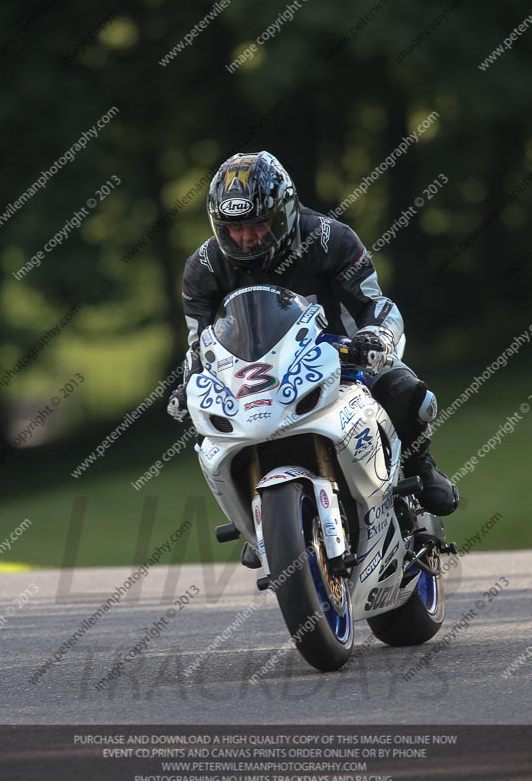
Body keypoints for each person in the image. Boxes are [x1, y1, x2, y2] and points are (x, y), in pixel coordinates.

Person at [168, 151, 459, 567]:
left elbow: (375, 303)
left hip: (340, 356)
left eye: (257, 225)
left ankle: (420, 466)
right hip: (253, 373)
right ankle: (257, 515)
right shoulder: (204, 266)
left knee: (405, 390)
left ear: (284, 213)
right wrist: (188, 383)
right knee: (209, 431)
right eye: (234, 230)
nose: (246, 238)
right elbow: (196, 343)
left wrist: (374, 337)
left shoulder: (328, 238)